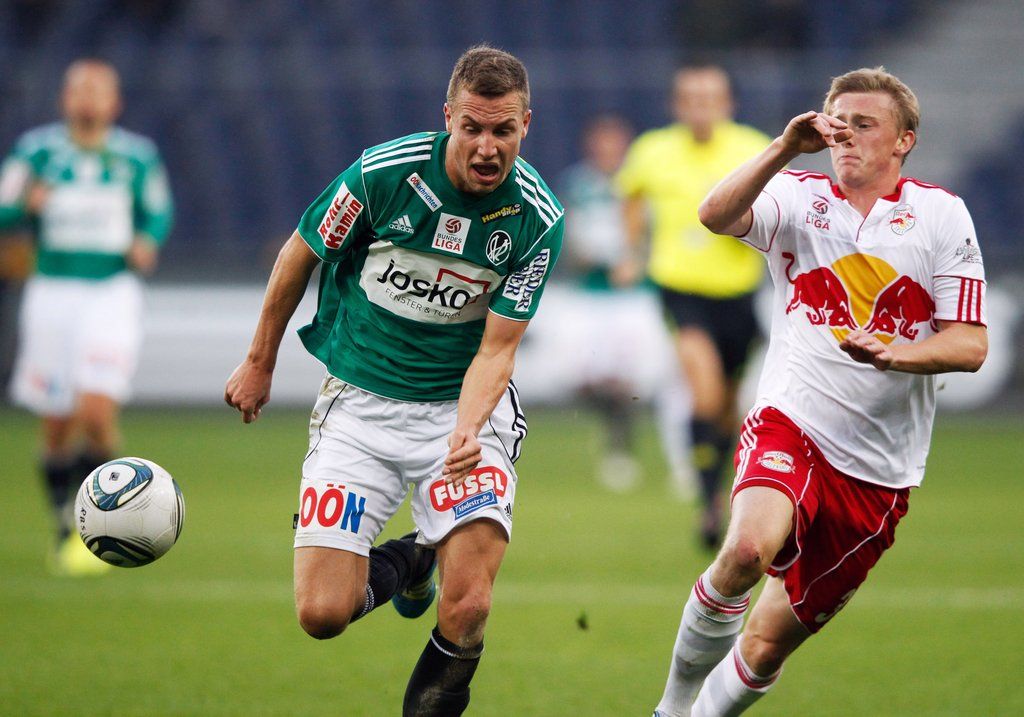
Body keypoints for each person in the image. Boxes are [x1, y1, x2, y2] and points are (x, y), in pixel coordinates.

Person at [224, 45, 562, 716]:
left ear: (527, 124)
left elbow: (497, 350)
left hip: (459, 413)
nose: (488, 146)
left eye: (504, 130)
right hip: (359, 407)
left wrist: (468, 427)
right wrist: (260, 361)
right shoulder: (383, 175)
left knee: (469, 606)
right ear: (448, 118)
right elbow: (299, 254)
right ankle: (412, 559)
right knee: (323, 612)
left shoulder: (536, 219)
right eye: (473, 127)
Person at [652, 67, 987, 717]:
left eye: (865, 124)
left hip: (879, 471)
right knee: (745, 550)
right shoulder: (797, 195)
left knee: (765, 645)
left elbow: (971, 344)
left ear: (904, 141)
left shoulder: (941, 215)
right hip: (793, 419)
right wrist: (784, 147)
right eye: (839, 124)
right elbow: (714, 215)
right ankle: (670, 708)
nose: (847, 136)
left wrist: (896, 353)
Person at [0, 59, 173, 576]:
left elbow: (158, 210)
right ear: (64, 99)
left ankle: (107, 519)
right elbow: (4, 206)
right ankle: (64, 524)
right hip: (52, 291)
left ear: (114, 103)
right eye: (79, 89)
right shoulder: (36, 152)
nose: (88, 98)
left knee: (95, 413)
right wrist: (24, 206)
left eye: (98, 90)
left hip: (110, 293)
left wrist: (147, 240)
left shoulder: (136, 156)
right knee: (57, 423)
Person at [615, 65, 771, 546]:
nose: (700, 106)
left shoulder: (753, 148)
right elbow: (631, 197)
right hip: (680, 290)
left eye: (710, 97)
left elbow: (778, 208)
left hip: (739, 293)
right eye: (691, 98)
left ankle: (719, 486)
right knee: (703, 394)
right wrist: (632, 252)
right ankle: (708, 506)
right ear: (676, 104)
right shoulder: (652, 150)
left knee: (728, 408)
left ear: (728, 103)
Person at [557, 114, 647, 491]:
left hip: (629, 298)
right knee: (583, 379)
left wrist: (636, 259)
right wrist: (592, 256)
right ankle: (610, 427)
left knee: (627, 377)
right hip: (589, 294)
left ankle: (620, 447)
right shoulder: (577, 184)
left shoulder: (638, 181)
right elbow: (568, 236)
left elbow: (651, 231)